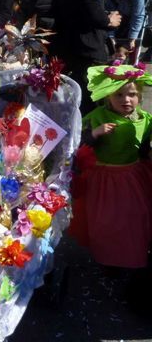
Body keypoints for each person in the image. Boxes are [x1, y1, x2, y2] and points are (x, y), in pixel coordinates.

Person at [69, 64, 151, 272]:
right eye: (119, 95)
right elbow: (76, 143)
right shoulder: (98, 116)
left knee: (133, 219)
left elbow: (144, 147)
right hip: (105, 179)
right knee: (106, 222)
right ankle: (108, 258)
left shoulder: (145, 118)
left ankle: (129, 256)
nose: (126, 100)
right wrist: (95, 134)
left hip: (132, 177)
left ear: (139, 96)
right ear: (108, 98)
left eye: (132, 94)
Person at [46, 0, 122, 114]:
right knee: (87, 108)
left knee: (61, 106)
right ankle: (85, 143)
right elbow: (96, 14)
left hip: (58, 50)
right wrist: (109, 19)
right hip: (86, 52)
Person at [104, 0, 147, 64]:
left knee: (128, 47)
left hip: (131, 23)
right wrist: (111, 37)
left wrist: (132, 38)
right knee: (109, 46)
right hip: (116, 23)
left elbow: (138, 16)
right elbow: (110, 16)